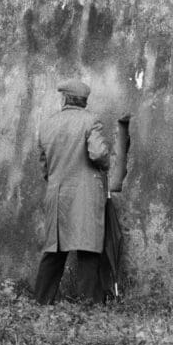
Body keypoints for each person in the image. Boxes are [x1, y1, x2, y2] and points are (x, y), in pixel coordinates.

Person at [34, 79, 110, 305]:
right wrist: (106, 163)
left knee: (54, 250)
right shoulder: (90, 121)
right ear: (84, 101)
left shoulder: (47, 125)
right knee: (88, 249)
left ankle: (41, 301)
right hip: (84, 195)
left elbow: (44, 167)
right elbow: (98, 153)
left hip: (57, 194)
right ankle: (87, 304)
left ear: (65, 98)